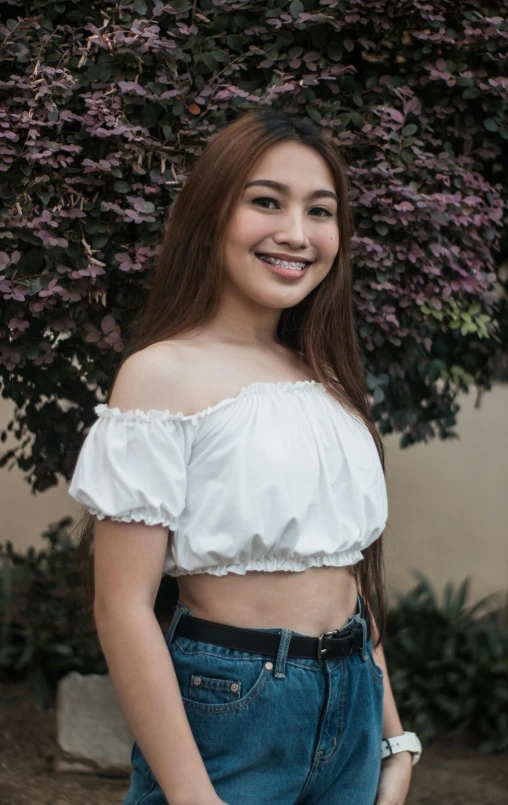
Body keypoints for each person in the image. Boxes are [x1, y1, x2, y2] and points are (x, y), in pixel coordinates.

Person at [68, 106, 421, 805]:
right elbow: (123, 607)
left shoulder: (327, 377)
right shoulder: (161, 374)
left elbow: (345, 572)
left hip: (352, 703)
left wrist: (394, 738)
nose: (296, 233)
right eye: (266, 201)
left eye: (320, 211)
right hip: (235, 711)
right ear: (212, 214)